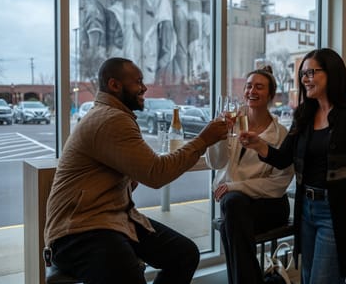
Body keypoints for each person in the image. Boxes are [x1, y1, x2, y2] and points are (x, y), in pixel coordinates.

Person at [44, 57, 228, 284]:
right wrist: (204, 139)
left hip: (114, 220)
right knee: (134, 273)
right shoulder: (110, 119)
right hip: (79, 232)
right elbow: (156, 173)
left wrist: (126, 179)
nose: (144, 87)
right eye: (138, 82)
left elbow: (136, 170)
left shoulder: (109, 114)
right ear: (114, 85)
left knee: (184, 253)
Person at [240, 48, 346, 284]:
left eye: (311, 72)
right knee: (307, 278)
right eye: (303, 74)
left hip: (336, 211)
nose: (305, 78)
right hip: (305, 209)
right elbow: (283, 158)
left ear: (332, 73)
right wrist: (258, 145)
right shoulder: (304, 114)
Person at [205, 66, 294, 284]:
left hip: (270, 205)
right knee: (233, 208)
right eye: (248, 86)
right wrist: (219, 135)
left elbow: (279, 184)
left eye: (259, 87)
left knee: (231, 214)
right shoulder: (232, 123)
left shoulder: (280, 133)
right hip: (237, 207)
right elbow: (214, 163)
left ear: (271, 95)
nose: (251, 91)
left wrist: (236, 187)